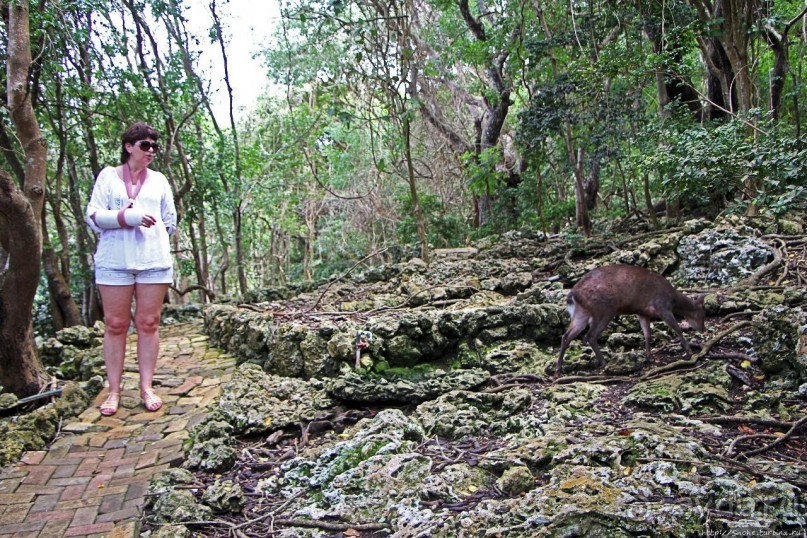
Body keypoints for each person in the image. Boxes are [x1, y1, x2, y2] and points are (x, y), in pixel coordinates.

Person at [85, 122, 177, 416]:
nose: (151, 151)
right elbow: (93, 216)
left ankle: (147, 386)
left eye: (154, 146)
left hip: (152, 261)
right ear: (129, 147)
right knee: (115, 324)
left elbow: (169, 220)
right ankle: (114, 390)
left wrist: (153, 236)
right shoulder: (108, 177)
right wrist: (126, 218)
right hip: (114, 261)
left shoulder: (159, 180)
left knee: (148, 323)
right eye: (145, 145)